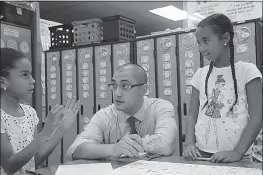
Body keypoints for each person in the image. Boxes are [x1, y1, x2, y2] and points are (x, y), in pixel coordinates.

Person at [183, 13, 262, 163]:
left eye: (206, 41)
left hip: (237, 157)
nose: (201, 48)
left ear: (225, 38)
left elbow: (257, 118)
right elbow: (192, 114)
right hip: (200, 154)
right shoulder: (200, 74)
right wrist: (189, 143)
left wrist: (238, 152)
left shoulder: (248, 71)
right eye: (198, 42)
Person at [67, 63, 177, 160]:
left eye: (125, 86)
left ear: (143, 90)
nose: (117, 93)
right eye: (114, 86)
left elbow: (166, 143)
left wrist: (129, 145)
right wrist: (114, 149)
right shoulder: (104, 116)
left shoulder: (161, 108)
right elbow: (75, 149)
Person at [0, 48, 81, 175]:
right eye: (25, 75)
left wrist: (62, 128)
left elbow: (34, 160)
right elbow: (9, 167)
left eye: (31, 74)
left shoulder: (30, 113)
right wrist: (44, 134)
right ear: (3, 81)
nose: (33, 80)